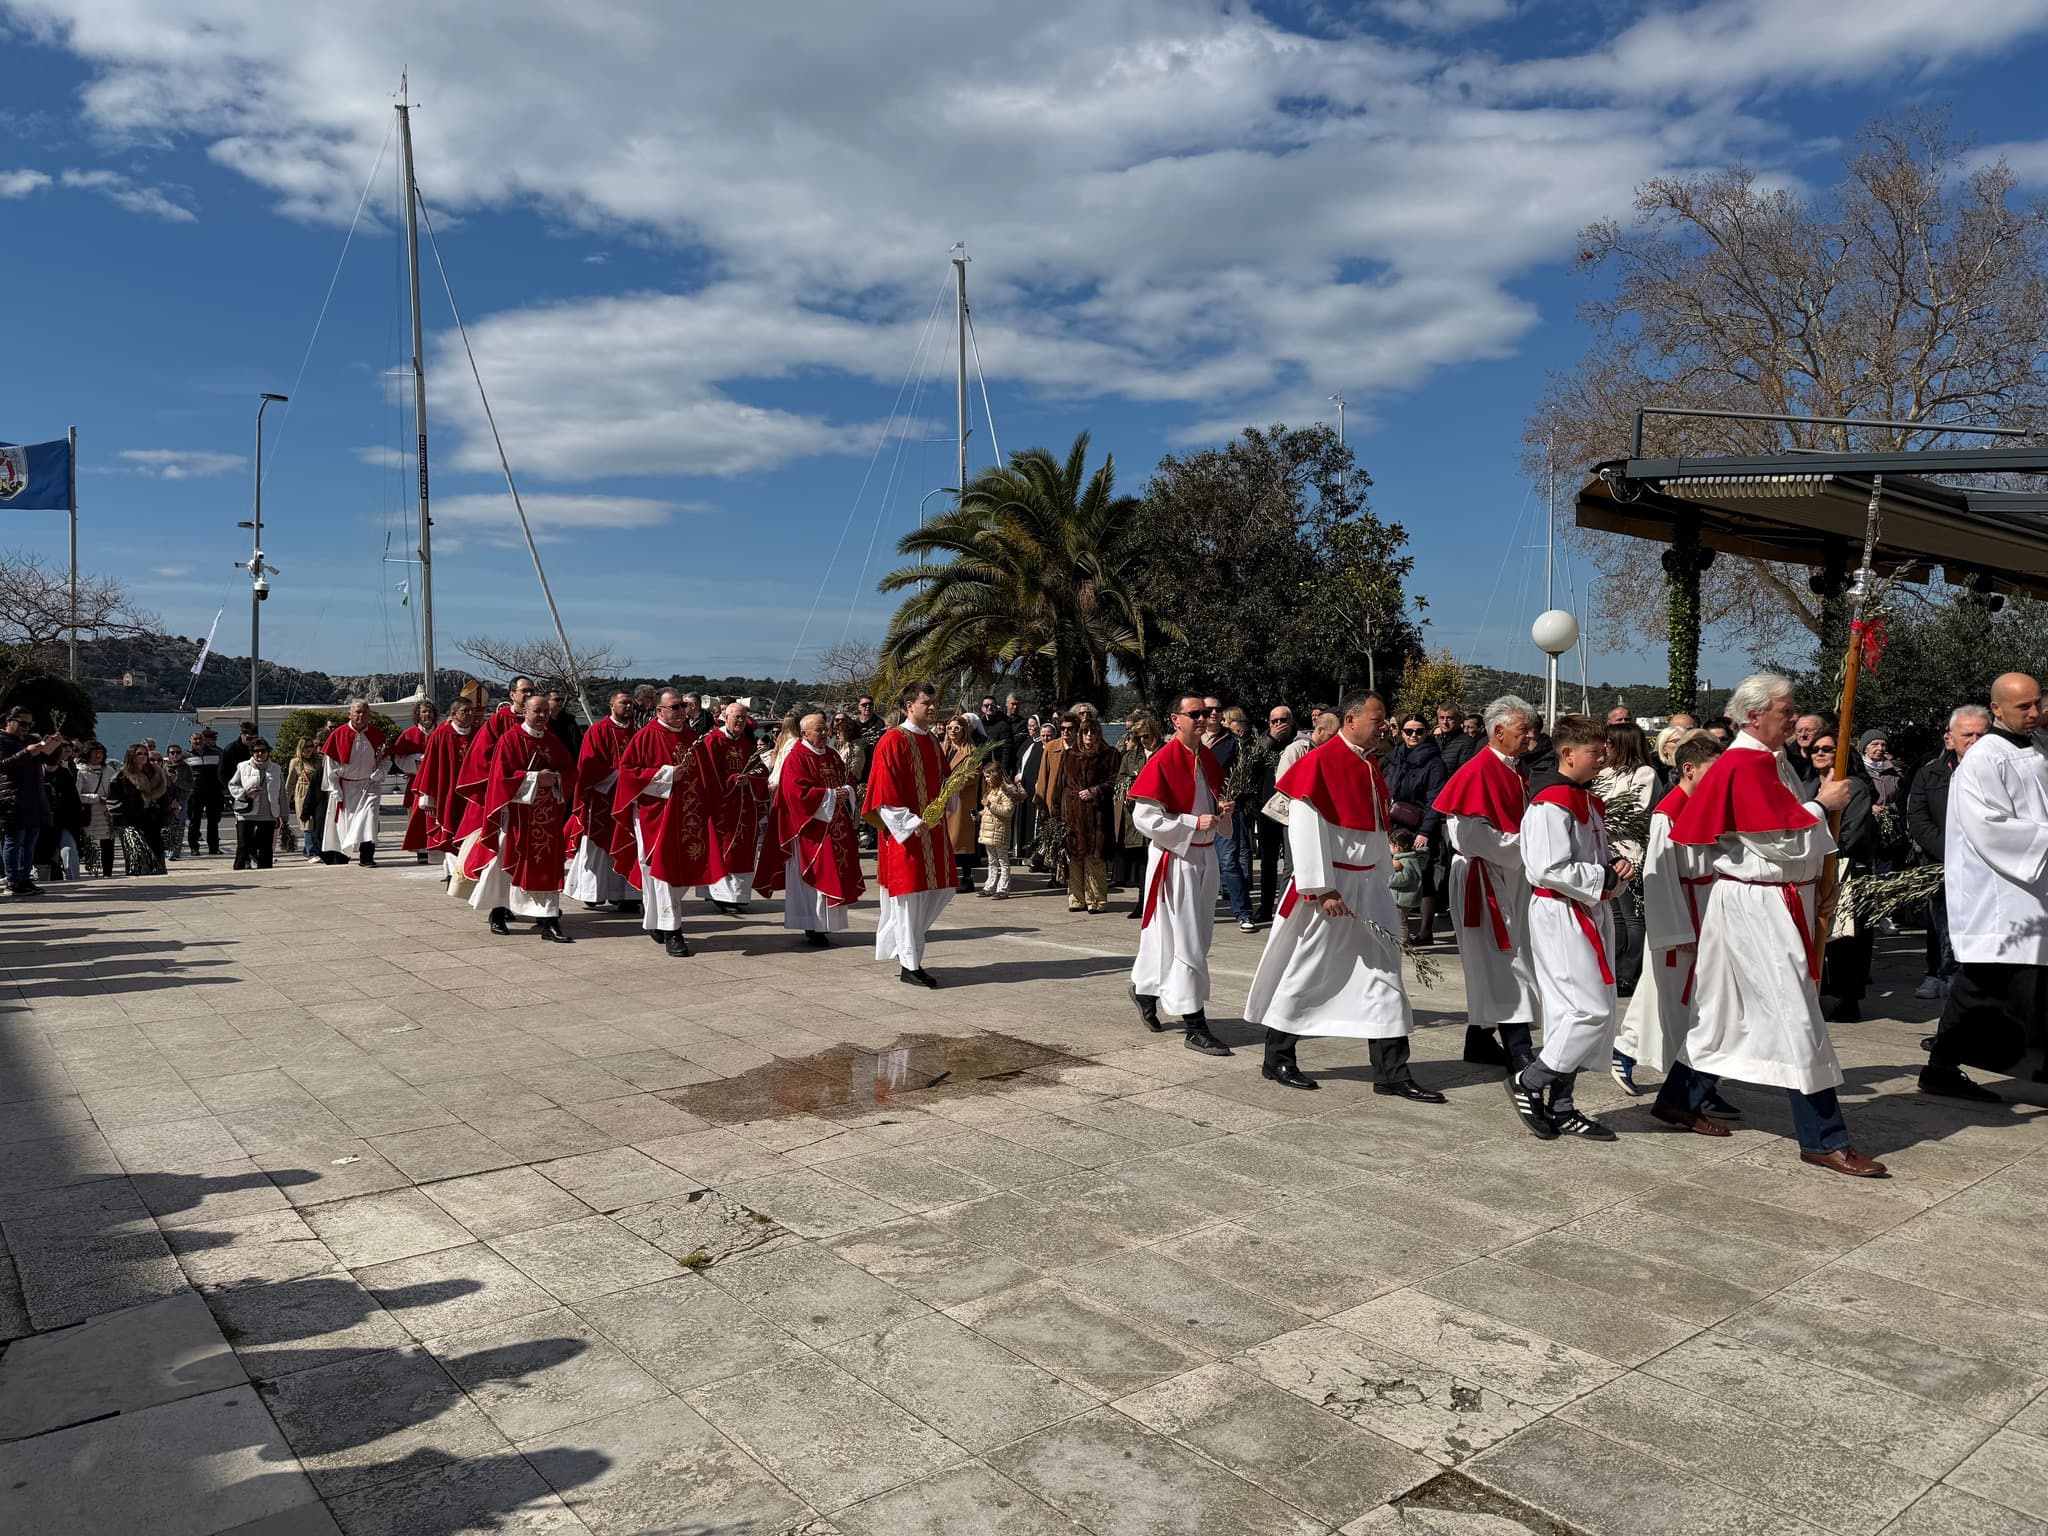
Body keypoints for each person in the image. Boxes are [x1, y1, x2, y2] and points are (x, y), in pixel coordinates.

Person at [1667, 673, 1882, 1177]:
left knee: (1722, 1011)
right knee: (1797, 1015)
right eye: (1785, 710)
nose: (1793, 716)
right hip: (1757, 905)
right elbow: (1773, 838)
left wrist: (1819, 881)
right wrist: (1821, 805)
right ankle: (1823, 1138)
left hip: (1770, 899)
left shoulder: (1769, 759)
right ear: (1753, 716)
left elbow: (1785, 835)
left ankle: (1680, 1099)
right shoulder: (1743, 764)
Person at [1246, 691, 1438, 1099]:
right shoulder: (1320, 762)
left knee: (1385, 974)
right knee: (1310, 970)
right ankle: (1277, 1056)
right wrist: (1323, 887)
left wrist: (1387, 865)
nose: (1384, 725)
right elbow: (1305, 828)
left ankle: (1391, 1071)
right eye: (1378, 717)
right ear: (1351, 720)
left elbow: (1370, 828)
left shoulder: (1369, 765)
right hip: (1334, 888)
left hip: (1369, 886)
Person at [1502, 715, 1631, 1141]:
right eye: (1595, 752)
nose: (1602, 759)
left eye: (1604, 751)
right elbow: (1546, 866)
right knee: (1586, 1010)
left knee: (1572, 1013)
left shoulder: (1583, 800)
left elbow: (1590, 856)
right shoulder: (1549, 803)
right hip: (1561, 914)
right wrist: (1601, 877)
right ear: (1568, 753)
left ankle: (1562, 1106)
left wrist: (1613, 869)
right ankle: (1529, 1081)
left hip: (1584, 909)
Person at [1921, 673, 2048, 1103]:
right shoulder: (1983, 761)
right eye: (2022, 708)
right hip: (2005, 895)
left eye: (2037, 704)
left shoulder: (2037, 746)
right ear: (1997, 709)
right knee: (1987, 986)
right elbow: (1991, 829)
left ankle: (1940, 1066)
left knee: (1986, 986)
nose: (2033, 713)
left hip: (2033, 892)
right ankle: (1942, 1067)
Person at [1629, 732, 1742, 1132]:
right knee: (1684, 1013)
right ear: (1688, 769)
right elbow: (1659, 879)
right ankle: (1688, 1091)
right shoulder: (1668, 812)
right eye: (1712, 774)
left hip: (1710, 910)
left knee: (1701, 1010)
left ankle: (1698, 1087)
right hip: (1685, 922)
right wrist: (1678, 933)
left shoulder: (1707, 805)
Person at [1432, 696, 1542, 1069]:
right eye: (1524, 729)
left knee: (1503, 961)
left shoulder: (1514, 769)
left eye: (1533, 728)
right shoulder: (1477, 771)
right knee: (1504, 961)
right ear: (1498, 731)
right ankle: (1519, 1047)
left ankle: (1478, 1041)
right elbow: (1472, 837)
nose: (1532, 736)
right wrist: (1529, 848)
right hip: (1484, 876)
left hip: (1508, 874)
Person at [1128, 695, 1234, 1055]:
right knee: (1188, 941)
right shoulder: (1163, 760)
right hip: (1178, 858)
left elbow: (1208, 801)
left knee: (1189, 937)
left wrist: (1222, 810)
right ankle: (1194, 1024)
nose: (1204, 718)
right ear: (1176, 719)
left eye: (1207, 713)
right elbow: (1143, 818)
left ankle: (1145, 989)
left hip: (1205, 856)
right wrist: (1192, 822)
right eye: (1196, 714)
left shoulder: (1204, 758)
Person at [611, 689, 723, 958]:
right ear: (660, 711)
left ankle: (655, 921)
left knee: (675, 874)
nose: (681, 710)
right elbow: (629, 775)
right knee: (663, 873)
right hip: (657, 817)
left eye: (683, 705)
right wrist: (668, 774)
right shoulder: (646, 737)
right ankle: (674, 932)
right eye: (675, 707)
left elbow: (707, 775)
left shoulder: (691, 737)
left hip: (689, 817)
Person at [863, 682, 958, 986]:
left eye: (934, 703)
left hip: (933, 832)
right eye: (926, 703)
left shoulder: (931, 740)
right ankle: (910, 964)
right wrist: (907, 821)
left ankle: (909, 948)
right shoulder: (892, 741)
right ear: (909, 707)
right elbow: (883, 792)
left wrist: (952, 791)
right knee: (908, 899)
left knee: (940, 891)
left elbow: (944, 780)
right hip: (906, 835)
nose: (932, 708)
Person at [470, 694, 580, 942]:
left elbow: (570, 769)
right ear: (525, 713)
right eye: (537, 711)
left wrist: (558, 779)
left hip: (546, 816)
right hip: (517, 815)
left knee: (548, 864)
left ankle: (550, 920)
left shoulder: (552, 741)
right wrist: (534, 778)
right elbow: (500, 779)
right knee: (503, 864)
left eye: (545, 712)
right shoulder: (510, 740)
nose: (542, 716)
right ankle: (498, 912)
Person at [755, 711, 865, 945]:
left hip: (835, 826)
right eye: (819, 730)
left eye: (826, 729)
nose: (825, 734)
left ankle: (827, 925)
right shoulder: (797, 757)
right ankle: (812, 925)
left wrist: (848, 791)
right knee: (816, 876)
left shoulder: (833, 756)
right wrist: (832, 794)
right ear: (805, 733)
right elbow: (796, 794)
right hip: (809, 830)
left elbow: (848, 780)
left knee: (836, 872)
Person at [1906, 706, 1989, 999]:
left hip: (1987, 867)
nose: (1975, 740)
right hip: (1941, 863)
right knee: (1940, 922)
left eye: (1982, 734)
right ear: (1949, 739)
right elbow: (1918, 819)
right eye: (1968, 735)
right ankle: (1937, 972)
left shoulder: (2002, 772)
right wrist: (1951, 852)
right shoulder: (1930, 774)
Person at [1803, 729, 1878, 1023]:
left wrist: (1827, 849)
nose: (1820, 753)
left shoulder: (1854, 787)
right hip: (1812, 867)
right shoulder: (1808, 786)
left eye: (1828, 749)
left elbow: (1854, 830)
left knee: (1848, 939)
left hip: (1846, 866)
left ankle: (1849, 998)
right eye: (1815, 749)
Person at [1595, 720, 1659, 998]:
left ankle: (1629, 972)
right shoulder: (1605, 772)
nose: (1605, 748)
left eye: (1609, 743)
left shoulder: (1644, 773)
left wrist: (1602, 816)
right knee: (1617, 916)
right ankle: (1615, 966)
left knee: (1634, 917)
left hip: (1631, 851)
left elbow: (1636, 809)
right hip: (1608, 850)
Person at [563, 690, 639, 909]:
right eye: (623, 703)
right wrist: (619, 774)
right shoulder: (598, 731)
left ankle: (627, 897)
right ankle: (592, 892)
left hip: (628, 801)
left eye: (630, 703)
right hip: (602, 801)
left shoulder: (638, 733)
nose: (628, 707)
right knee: (597, 848)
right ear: (611, 705)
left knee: (629, 844)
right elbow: (588, 766)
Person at [698, 701, 770, 915]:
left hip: (744, 806)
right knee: (723, 849)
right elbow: (706, 774)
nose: (740, 721)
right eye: (736, 717)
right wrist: (730, 781)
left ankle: (737, 895)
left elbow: (761, 770)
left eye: (743, 717)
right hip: (722, 805)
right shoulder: (712, 741)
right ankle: (720, 895)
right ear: (725, 717)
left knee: (742, 850)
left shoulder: (747, 743)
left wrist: (749, 778)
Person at [1385, 715, 1448, 945]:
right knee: (1395, 873)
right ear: (1401, 733)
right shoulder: (1395, 757)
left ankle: (1425, 931)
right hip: (1395, 824)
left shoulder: (1434, 762)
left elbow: (1436, 800)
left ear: (1427, 733)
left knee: (1425, 878)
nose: (1414, 736)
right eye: (1409, 731)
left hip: (1421, 825)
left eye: (1419, 731)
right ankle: (1397, 927)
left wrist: (1425, 832)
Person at [405, 693, 481, 880]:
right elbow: (430, 766)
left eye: (472, 710)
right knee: (450, 830)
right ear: (454, 714)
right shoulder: (441, 734)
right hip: (447, 791)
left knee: (470, 832)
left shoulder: (478, 732)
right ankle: (453, 873)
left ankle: (461, 871)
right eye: (465, 711)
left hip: (471, 793)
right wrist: (428, 798)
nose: (470, 714)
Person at [1203, 699, 1258, 932]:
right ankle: (1194, 913)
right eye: (1208, 710)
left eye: (1218, 709)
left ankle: (1244, 913)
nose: (1214, 713)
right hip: (1195, 811)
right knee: (1197, 864)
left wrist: (1231, 799)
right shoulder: (1190, 740)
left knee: (1228, 861)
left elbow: (1243, 774)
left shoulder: (1232, 741)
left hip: (1225, 810)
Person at [321, 700, 391, 868]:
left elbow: (386, 759)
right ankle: (343, 855)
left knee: (370, 817)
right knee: (344, 823)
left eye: (364, 712)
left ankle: (367, 856)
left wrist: (380, 773)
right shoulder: (338, 734)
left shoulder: (377, 735)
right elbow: (330, 766)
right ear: (349, 714)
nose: (361, 716)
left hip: (369, 785)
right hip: (345, 786)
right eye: (358, 712)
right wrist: (335, 788)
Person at [0, 707, 61, 896]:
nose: (26, 728)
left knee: (30, 841)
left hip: (34, 797)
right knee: (14, 841)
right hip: (12, 797)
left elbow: (49, 760)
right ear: (9, 720)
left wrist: (54, 745)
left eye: (29, 724)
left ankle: (25, 878)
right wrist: (27, 752)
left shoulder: (31, 739)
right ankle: (12, 880)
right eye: (22, 723)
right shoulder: (2, 740)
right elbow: (3, 764)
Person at [1060, 714, 1117, 913]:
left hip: (1098, 815)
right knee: (1075, 857)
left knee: (1095, 856)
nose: (1089, 735)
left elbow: (1115, 780)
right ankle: (1076, 899)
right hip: (1073, 813)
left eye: (1093, 731)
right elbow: (1062, 784)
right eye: (1085, 731)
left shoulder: (1109, 754)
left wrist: (1095, 791)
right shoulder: (1069, 755)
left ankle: (1097, 900)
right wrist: (1060, 812)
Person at [1251, 706, 1299, 924]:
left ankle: (1284, 908)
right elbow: (1251, 765)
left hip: (1292, 808)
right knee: (1268, 861)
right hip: (1268, 808)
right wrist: (1269, 740)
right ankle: (1266, 905)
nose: (1279, 725)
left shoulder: (1299, 743)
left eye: (1284, 720)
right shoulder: (1262, 743)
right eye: (1274, 721)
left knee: (1290, 862)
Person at [1115, 714, 1164, 913]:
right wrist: (1131, 784)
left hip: (1161, 814)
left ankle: (1159, 902)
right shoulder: (1131, 757)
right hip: (1138, 815)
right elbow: (1120, 780)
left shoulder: (1165, 753)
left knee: (1160, 860)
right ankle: (1142, 902)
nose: (1143, 740)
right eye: (1139, 737)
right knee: (1142, 862)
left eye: (1146, 735)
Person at [106, 742, 170, 875]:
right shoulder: (121, 776)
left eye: (145, 753)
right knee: (138, 857)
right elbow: (113, 801)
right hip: (132, 823)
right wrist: (123, 821)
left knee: (157, 856)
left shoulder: (157, 773)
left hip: (154, 822)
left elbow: (164, 798)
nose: (143, 756)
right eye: (139, 753)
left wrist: (165, 815)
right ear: (131, 756)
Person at [940, 714, 983, 896]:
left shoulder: (971, 751)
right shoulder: (942, 748)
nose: (952, 732)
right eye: (950, 728)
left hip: (961, 800)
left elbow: (975, 774)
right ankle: (948, 876)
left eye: (956, 728)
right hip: (944, 799)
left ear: (964, 730)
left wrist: (955, 782)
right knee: (945, 840)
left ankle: (967, 878)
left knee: (961, 840)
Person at [390, 702, 438, 864]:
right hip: (416, 782)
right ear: (418, 714)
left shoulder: (441, 732)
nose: (427, 715)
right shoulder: (409, 734)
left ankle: (438, 848)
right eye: (424, 712)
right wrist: (417, 760)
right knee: (417, 817)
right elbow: (399, 758)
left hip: (438, 782)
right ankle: (421, 850)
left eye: (430, 712)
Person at [227, 738, 285, 870]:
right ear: (251, 752)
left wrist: (284, 813)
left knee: (266, 846)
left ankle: (265, 870)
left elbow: (282, 792)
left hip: (268, 812)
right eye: (256, 751)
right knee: (243, 845)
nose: (260, 754)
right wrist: (245, 793)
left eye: (263, 751)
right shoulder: (243, 766)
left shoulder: (276, 769)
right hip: (246, 812)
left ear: (268, 752)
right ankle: (239, 868)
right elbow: (232, 785)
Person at [976, 760, 1019, 898]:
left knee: (1002, 860)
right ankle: (989, 886)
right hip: (988, 831)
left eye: (988, 776)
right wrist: (978, 815)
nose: (986, 780)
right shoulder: (991, 790)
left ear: (995, 775)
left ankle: (1003, 888)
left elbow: (1007, 811)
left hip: (1000, 831)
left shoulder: (1005, 790)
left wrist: (990, 805)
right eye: (985, 777)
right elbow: (987, 811)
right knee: (992, 860)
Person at [77, 741, 117, 878]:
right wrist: (96, 798)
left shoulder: (109, 770)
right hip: (90, 812)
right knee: (90, 843)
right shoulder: (80, 771)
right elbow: (77, 795)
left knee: (108, 842)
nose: (99, 755)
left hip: (107, 812)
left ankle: (108, 872)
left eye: (101, 752)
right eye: (95, 752)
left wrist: (111, 798)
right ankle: (92, 871)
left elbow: (115, 790)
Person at [283, 737, 325, 863]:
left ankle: (309, 850)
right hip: (303, 792)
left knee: (319, 822)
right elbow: (290, 783)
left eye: (310, 746)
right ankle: (311, 852)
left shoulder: (319, 760)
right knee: (308, 823)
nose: (308, 749)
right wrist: (285, 800)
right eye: (305, 747)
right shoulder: (296, 762)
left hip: (318, 794)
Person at [1014, 720, 1049, 869]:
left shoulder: (1046, 748)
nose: (1046, 738)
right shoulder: (1031, 744)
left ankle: (1041, 859)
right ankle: (1028, 855)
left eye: (1049, 735)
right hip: (1028, 790)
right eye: (1044, 735)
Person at [185, 728, 225, 855]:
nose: (198, 741)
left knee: (213, 820)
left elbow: (223, 771)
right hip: (194, 792)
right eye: (195, 739)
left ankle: (214, 847)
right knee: (194, 820)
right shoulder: (185, 755)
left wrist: (224, 787)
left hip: (214, 791)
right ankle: (194, 847)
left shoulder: (217, 753)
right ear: (190, 741)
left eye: (200, 738)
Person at [1389, 827, 1425, 939]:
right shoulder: (1406, 858)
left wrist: (1389, 879)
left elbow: (1405, 878)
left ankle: (1403, 942)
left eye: (1390, 845)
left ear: (1397, 847)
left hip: (1402, 899)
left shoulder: (1406, 861)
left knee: (1401, 922)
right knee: (1400, 920)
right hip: (1401, 897)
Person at [162, 742, 192, 861]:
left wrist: (176, 780)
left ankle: (175, 851)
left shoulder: (185, 767)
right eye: (172, 753)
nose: (175, 755)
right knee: (166, 825)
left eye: (178, 752)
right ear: (168, 754)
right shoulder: (163, 767)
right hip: (166, 800)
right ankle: (166, 849)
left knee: (179, 825)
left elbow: (189, 785)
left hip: (181, 800)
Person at [219, 720, 260, 788]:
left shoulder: (260, 748)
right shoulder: (230, 749)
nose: (252, 741)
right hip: (237, 788)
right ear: (242, 735)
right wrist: (231, 789)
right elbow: (222, 773)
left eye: (255, 738)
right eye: (249, 738)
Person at [546, 690, 582, 757]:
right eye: (557, 700)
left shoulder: (570, 720)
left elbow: (578, 742)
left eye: (561, 700)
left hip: (571, 759)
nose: (560, 702)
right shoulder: (542, 722)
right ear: (547, 701)